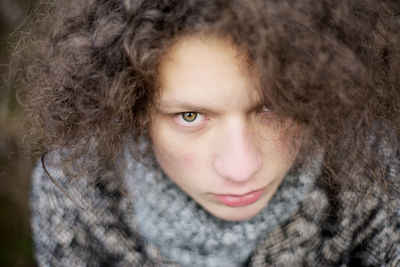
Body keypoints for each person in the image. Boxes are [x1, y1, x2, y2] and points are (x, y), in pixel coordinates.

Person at [16, 0, 400, 266]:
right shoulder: (74, 192)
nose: (241, 168)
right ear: (132, 106)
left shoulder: (376, 175)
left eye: (273, 107)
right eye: (189, 116)